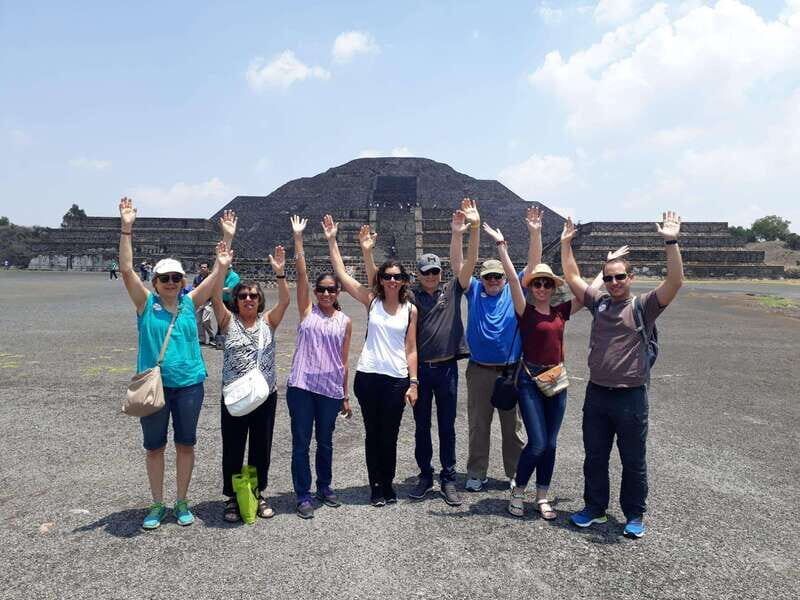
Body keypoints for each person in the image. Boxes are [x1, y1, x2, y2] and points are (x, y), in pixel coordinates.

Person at [482, 222, 629, 519]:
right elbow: (512, 279)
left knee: (550, 444)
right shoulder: (525, 311)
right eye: (537, 283)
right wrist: (502, 247)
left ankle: (543, 495)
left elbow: (591, 291)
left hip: (556, 379)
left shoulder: (562, 312)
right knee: (536, 442)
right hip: (529, 380)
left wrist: (607, 265)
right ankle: (518, 490)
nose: (541, 288)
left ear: (553, 288)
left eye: (547, 284)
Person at [561, 212, 684, 539]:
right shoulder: (598, 303)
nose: (614, 283)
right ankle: (595, 508)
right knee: (595, 457)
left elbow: (674, 282)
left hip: (631, 395)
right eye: (609, 277)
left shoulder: (644, 306)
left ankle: (634, 514)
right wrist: (565, 244)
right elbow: (572, 276)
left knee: (633, 460)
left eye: (619, 277)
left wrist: (670, 242)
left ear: (630, 278)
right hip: (597, 393)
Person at [117, 196, 231, 530]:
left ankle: (181, 501)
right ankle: (157, 503)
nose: (170, 283)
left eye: (176, 278)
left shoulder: (189, 303)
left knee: (185, 444)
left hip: (189, 385)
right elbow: (126, 270)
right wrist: (126, 228)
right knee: (154, 448)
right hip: (154, 386)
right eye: (164, 278)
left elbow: (217, 273)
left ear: (183, 281)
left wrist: (226, 241)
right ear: (154, 282)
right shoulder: (145, 304)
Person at [360, 199, 478, 506]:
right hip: (421, 372)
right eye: (426, 272)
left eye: (435, 271)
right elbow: (377, 282)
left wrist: (465, 232)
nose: (431, 275)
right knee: (422, 427)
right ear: (418, 274)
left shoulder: (452, 290)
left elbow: (466, 264)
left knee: (447, 426)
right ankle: (426, 475)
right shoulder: (407, 298)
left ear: (440, 273)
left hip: (447, 369)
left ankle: (448, 478)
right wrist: (368, 252)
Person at [323, 213, 419, 507]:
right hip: (368, 376)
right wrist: (332, 240)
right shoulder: (372, 300)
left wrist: (413, 382)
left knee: (389, 436)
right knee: (372, 433)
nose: (392, 281)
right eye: (387, 276)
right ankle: (376, 486)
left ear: (404, 281)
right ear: (381, 279)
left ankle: (388, 484)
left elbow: (411, 348)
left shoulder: (410, 310)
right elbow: (341, 274)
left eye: (397, 277)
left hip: (396, 379)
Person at [462, 204, 547, 492]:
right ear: (481, 279)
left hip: (511, 370)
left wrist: (535, 234)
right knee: (478, 425)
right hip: (479, 370)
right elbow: (460, 263)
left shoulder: (515, 290)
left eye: (498, 276)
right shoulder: (473, 291)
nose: (495, 280)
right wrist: (470, 231)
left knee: (513, 428)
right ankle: (476, 472)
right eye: (489, 277)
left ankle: (515, 472)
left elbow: (533, 266)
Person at [211, 216, 289, 523]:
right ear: (236, 300)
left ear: (260, 301)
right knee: (232, 447)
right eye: (242, 296)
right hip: (234, 395)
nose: (247, 299)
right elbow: (215, 293)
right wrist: (225, 253)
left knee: (261, 447)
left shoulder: (269, 322)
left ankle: (257, 492)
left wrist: (281, 273)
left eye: (253, 296)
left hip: (265, 395)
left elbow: (285, 300)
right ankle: (233, 497)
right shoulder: (227, 321)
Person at [285, 215, 353, 519]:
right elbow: (301, 275)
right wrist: (298, 239)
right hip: (301, 387)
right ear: (316, 292)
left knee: (325, 442)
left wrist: (345, 395)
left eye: (331, 289)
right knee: (301, 442)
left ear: (338, 292)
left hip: (328, 390)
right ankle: (303, 493)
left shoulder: (345, 321)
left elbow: (344, 360)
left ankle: (324, 486)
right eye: (321, 289)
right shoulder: (306, 312)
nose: (326, 293)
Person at [192, 261, 215, 345]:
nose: (203, 269)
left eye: (204, 267)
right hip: (199, 302)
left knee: (205, 320)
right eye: (201, 267)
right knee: (198, 321)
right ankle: (202, 339)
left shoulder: (211, 278)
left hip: (208, 301)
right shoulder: (197, 277)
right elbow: (194, 286)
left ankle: (211, 336)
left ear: (208, 269)